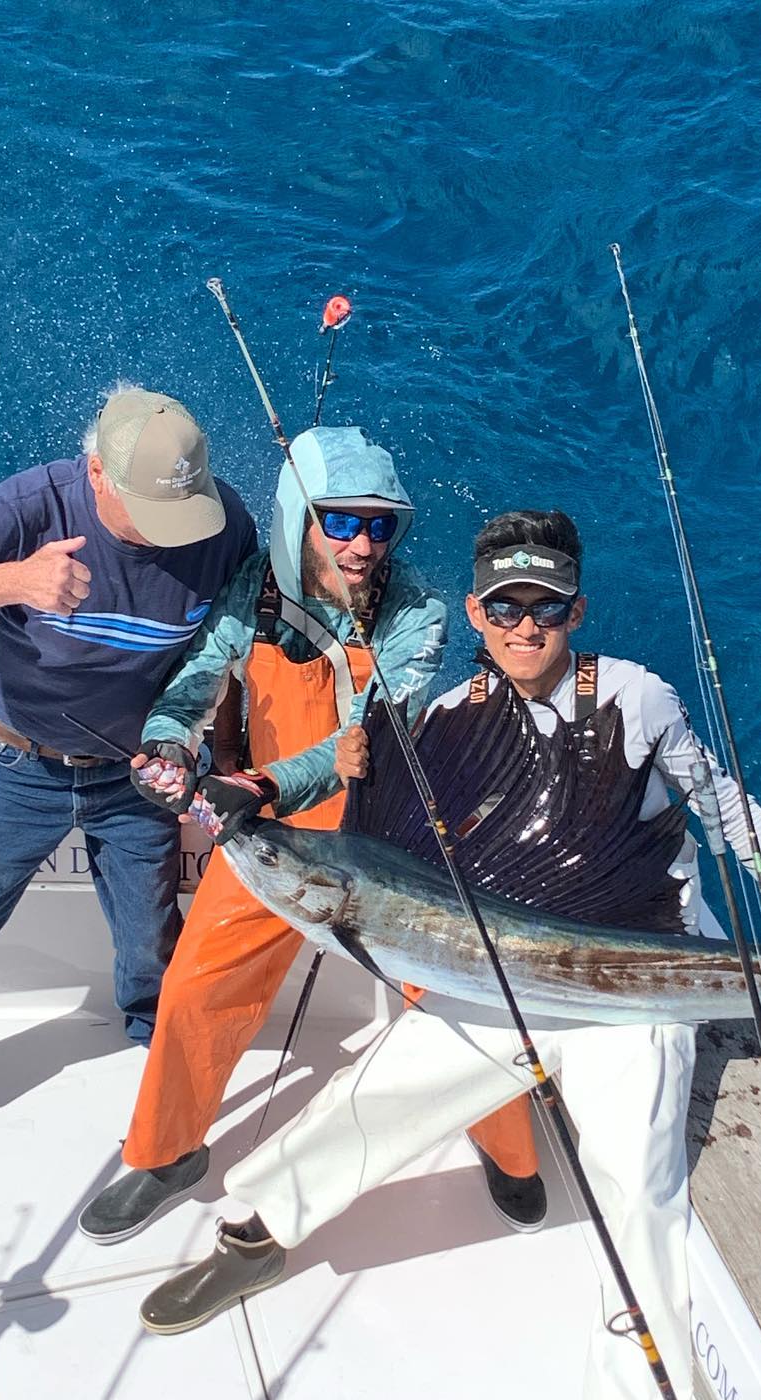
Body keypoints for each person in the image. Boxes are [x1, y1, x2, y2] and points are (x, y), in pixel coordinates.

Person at [133, 509, 761, 1400]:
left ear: (577, 610)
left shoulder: (637, 696)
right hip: (500, 974)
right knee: (375, 1097)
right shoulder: (446, 720)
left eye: (547, 607)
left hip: (629, 989)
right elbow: (382, 841)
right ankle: (260, 1233)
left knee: (639, 1192)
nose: (526, 626)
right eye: (505, 607)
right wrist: (274, 785)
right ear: (477, 615)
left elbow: (727, 812)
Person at [75, 427, 545, 1247]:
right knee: (195, 987)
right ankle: (166, 1152)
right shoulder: (252, 592)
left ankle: (504, 1144)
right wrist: (165, 741)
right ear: (301, 519)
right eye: (341, 522)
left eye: (379, 525)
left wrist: (257, 784)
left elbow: (364, 740)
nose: (362, 545)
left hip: (393, 838)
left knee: (466, 995)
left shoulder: (419, 616)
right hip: (278, 837)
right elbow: (194, 684)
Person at [0, 387, 256, 1192]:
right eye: (151, 510)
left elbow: (229, 648)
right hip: (16, 768)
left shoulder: (222, 523)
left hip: (137, 773)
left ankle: (160, 1052)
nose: (173, 533)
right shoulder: (28, 507)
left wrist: (226, 756)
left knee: (150, 940)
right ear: (97, 472)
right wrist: (9, 584)